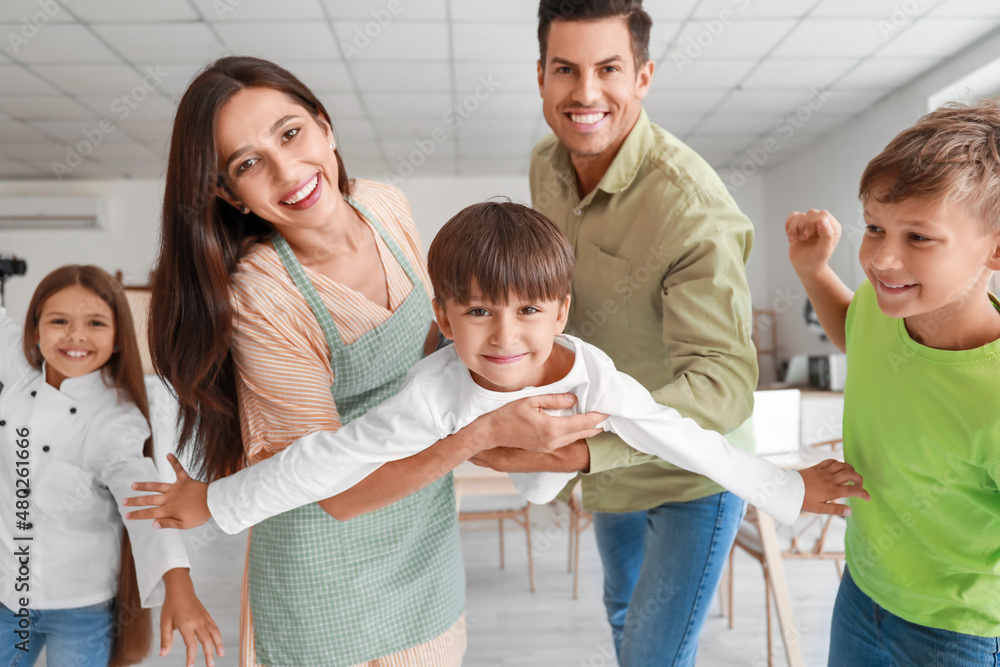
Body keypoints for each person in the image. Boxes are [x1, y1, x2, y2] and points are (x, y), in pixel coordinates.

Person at [145, 56, 605, 667]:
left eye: (291, 134)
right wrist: (483, 434)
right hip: (323, 575)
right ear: (231, 194)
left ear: (325, 126)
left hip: (423, 545)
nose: (288, 171)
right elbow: (330, 491)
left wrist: (512, 411)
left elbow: (439, 352)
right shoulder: (263, 295)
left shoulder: (386, 207)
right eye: (249, 163)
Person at [124, 201, 865, 537]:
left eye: (528, 312)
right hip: (463, 433)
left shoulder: (592, 374)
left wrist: (790, 487)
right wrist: (214, 504)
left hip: (560, 462)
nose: (507, 337)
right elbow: (324, 461)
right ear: (442, 319)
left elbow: (682, 436)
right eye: (478, 313)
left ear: (562, 310)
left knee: (602, 461)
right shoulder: (433, 394)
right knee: (364, 454)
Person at [471, 1, 762, 663]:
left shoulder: (692, 209)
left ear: (643, 76)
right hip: (608, 464)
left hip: (692, 469)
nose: (586, 93)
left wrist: (576, 449)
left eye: (608, 69)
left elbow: (723, 388)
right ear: (541, 75)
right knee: (625, 618)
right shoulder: (546, 163)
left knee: (654, 654)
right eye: (566, 70)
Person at [785, 100, 1000, 666]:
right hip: (862, 592)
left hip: (960, 632)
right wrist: (813, 270)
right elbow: (849, 329)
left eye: (919, 238)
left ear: (995, 248)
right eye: (875, 228)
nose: (882, 258)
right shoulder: (883, 317)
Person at [0, 265, 221, 667]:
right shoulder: (18, 375)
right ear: (35, 330)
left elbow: (144, 507)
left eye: (95, 323)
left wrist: (179, 585)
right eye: (59, 321)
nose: (75, 335)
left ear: (118, 338)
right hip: (6, 593)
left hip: (80, 604)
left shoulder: (116, 422)